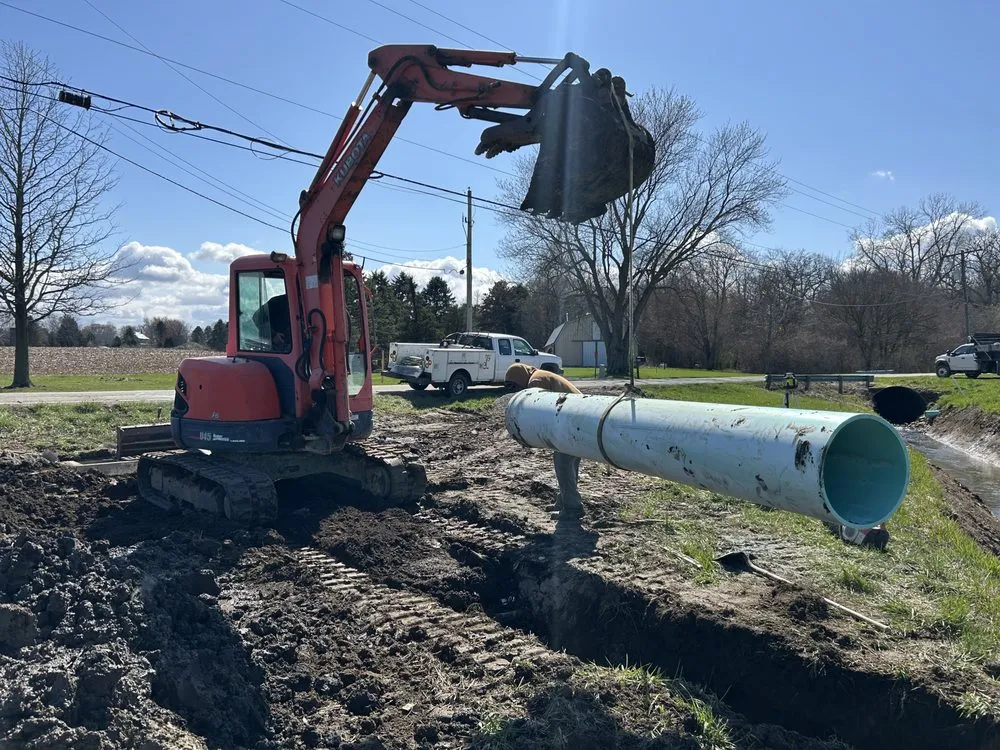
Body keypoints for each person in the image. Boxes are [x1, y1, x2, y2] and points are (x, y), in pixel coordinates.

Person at [504, 363, 585, 519]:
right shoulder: (539, 376)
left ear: (520, 378)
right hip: (573, 420)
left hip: (571, 422)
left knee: (563, 464)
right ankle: (564, 501)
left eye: (514, 386)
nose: (515, 391)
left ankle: (572, 509)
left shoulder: (536, 382)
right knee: (568, 464)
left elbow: (538, 410)